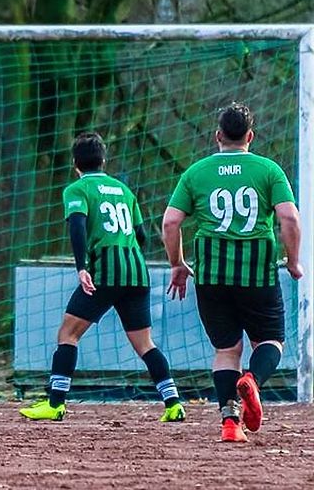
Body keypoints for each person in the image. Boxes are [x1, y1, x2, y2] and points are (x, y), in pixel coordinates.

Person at [20, 132, 185, 423]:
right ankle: (173, 403)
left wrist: (82, 266)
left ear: (75, 163)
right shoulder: (124, 190)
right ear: (104, 160)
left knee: (68, 334)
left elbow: (78, 227)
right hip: (135, 271)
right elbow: (142, 235)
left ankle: (55, 403)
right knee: (145, 343)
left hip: (103, 273)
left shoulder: (77, 189)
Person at [162, 102, 302, 443]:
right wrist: (293, 260)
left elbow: (170, 222)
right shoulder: (268, 170)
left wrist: (177, 264)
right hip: (256, 273)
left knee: (227, 350)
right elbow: (290, 219)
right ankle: (252, 381)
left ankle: (229, 422)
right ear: (250, 136)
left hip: (211, 274)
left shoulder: (196, 172)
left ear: (217, 135)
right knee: (269, 341)